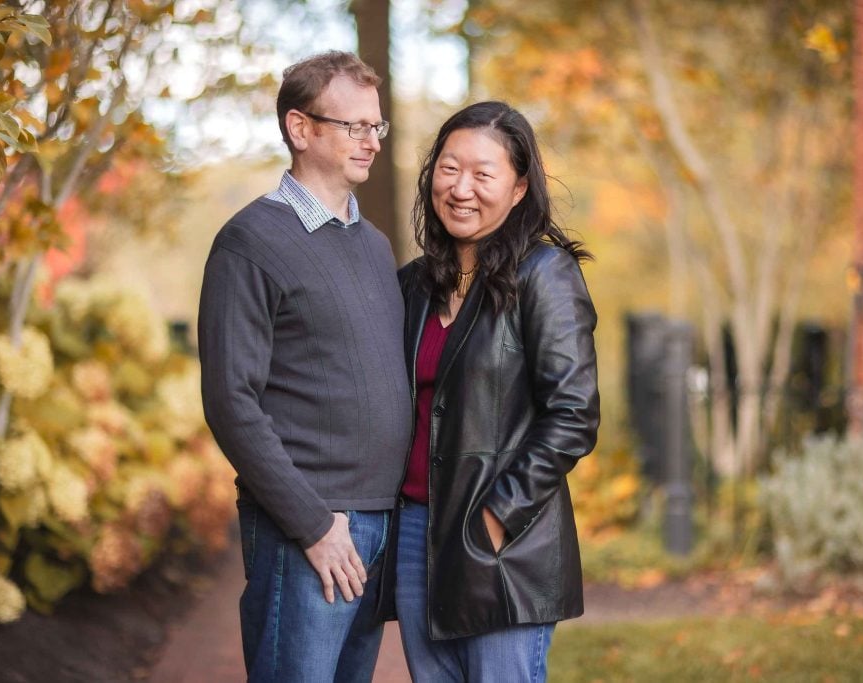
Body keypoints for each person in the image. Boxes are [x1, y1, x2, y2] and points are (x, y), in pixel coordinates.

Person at [197, 51, 411, 682]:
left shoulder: (372, 245)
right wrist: (314, 525)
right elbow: (231, 402)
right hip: (307, 527)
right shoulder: (250, 243)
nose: (371, 142)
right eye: (355, 127)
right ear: (300, 129)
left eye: (377, 127)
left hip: (378, 521)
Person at [387, 101, 600, 682]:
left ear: (519, 186)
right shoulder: (413, 286)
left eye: (484, 174)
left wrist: (496, 518)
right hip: (415, 534)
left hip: (503, 540)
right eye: (449, 168)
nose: (461, 188)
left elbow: (574, 414)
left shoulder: (544, 275)